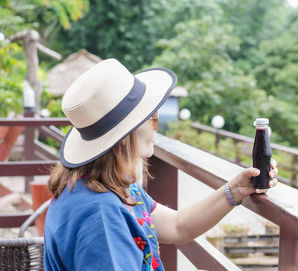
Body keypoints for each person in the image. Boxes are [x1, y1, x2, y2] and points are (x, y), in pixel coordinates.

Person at [43, 58, 278, 271]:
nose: (158, 126)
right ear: (126, 135)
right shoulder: (101, 215)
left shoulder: (107, 186)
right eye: (153, 119)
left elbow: (178, 225)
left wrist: (236, 189)